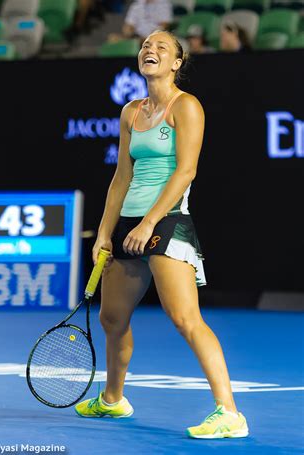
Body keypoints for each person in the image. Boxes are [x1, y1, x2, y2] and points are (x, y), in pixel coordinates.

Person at [74, 29, 249, 439]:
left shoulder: (186, 106)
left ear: (176, 63)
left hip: (166, 222)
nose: (150, 50)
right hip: (128, 224)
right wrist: (104, 232)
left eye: (162, 48)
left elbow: (186, 170)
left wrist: (150, 222)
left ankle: (230, 413)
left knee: (185, 318)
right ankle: (113, 400)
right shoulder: (131, 112)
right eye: (146, 46)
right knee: (112, 318)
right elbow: (122, 176)